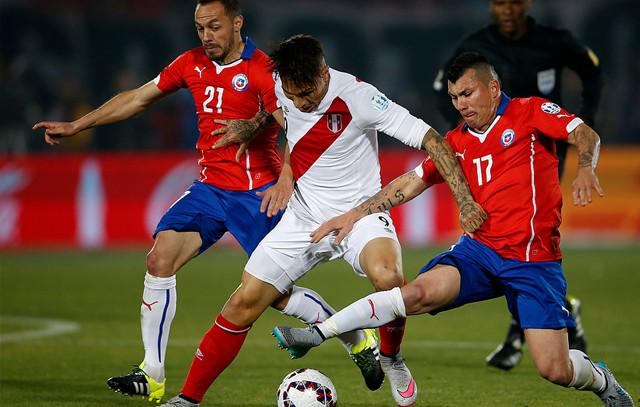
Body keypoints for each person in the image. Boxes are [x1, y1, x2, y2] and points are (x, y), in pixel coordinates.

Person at [32, 0, 384, 402]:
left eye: (214, 26)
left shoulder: (264, 71)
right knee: (159, 259)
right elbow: (138, 98)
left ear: (237, 23)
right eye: (200, 27)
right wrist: (78, 125)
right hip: (210, 190)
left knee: (276, 295)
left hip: (257, 194)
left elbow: (300, 127)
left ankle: (357, 338)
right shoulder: (190, 64)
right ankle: (151, 372)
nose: (206, 36)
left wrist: (286, 177)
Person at [274, 52, 634, 407]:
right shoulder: (457, 142)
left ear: (493, 88)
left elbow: (585, 135)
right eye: (454, 97)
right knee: (415, 294)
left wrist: (585, 168)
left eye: (468, 93)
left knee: (555, 369)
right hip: (480, 253)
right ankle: (319, 333)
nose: (461, 104)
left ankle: (602, 381)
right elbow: (411, 182)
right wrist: (354, 214)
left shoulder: (530, 112)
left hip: (533, 261)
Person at [160, 35, 485, 407]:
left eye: (307, 94)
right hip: (303, 218)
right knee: (242, 303)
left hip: (360, 215)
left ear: (324, 72)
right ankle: (188, 399)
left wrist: (464, 201)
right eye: (293, 94)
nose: (300, 103)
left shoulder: (360, 97)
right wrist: (255, 128)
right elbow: (279, 113)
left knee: (389, 278)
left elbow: (434, 141)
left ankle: (391, 357)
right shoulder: (282, 85)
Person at [432, 0, 603, 371]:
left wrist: (585, 117)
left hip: (539, 146)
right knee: (500, 238)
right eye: (499, 3)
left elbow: (591, 69)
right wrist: (468, 135)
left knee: (523, 239)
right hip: (489, 153)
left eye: (513, 2)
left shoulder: (553, 40)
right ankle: (534, 323)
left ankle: (531, 324)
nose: (506, 10)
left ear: (526, 4)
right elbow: (440, 87)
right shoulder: (475, 44)